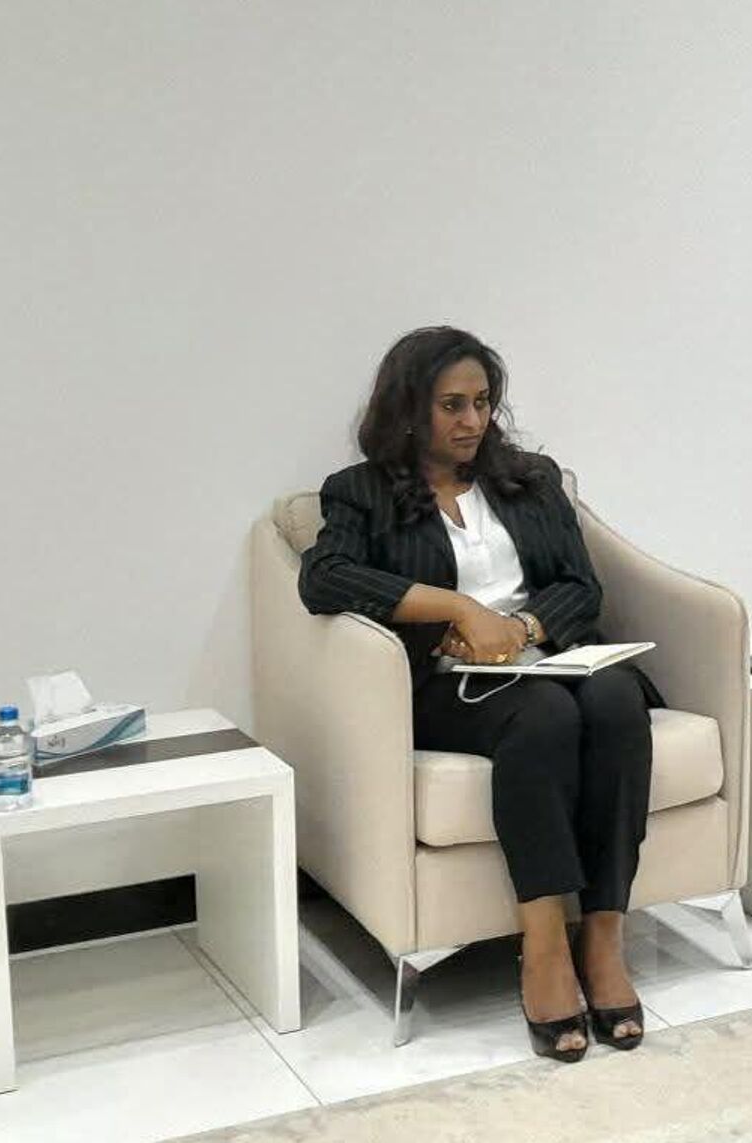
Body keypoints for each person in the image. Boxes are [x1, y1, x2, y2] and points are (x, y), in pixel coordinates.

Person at [298, 326, 651, 1059]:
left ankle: (604, 938)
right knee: (544, 717)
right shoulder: (361, 492)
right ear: (409, 409)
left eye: (483, 402)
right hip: (450, 684)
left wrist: (520, 627)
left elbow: (581, 586)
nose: (472, 421)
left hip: (551, 656)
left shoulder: (531, 478)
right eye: (451, 405)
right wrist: (457, 608)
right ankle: (544, 946)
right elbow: (323, 579)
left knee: (618, 702)